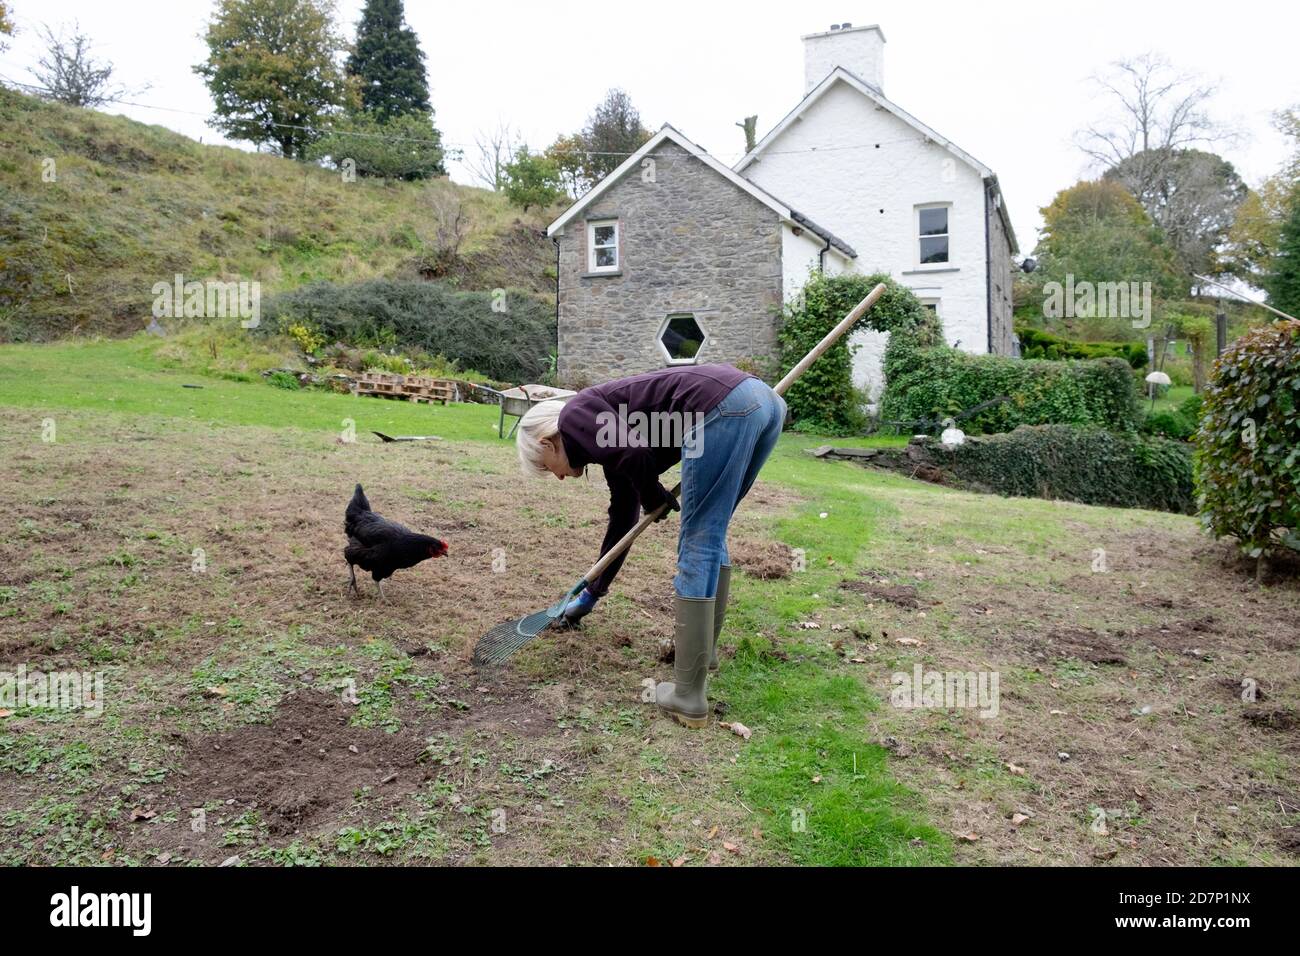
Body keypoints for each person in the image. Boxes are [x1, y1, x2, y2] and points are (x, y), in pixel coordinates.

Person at [516, 364, 786, 727]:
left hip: (725, 405)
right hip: (763, 404)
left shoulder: (575, 415)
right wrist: (591, 595)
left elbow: (635, 455)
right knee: (712, 533)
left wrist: (651, 494)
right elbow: (622, 523)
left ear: (546, 443)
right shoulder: (603, 430)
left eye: (549, 469)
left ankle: (688, 695)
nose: (559, 478)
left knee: (700, 540)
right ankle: (703, 657)